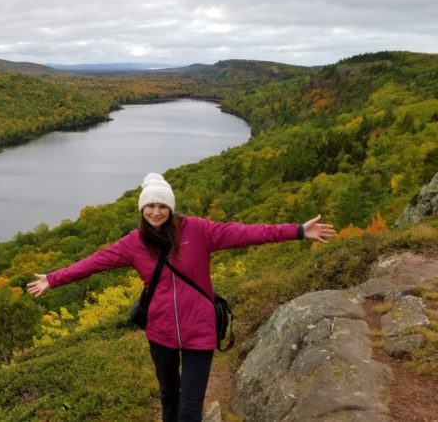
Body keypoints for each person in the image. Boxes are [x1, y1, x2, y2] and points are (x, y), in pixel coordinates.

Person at [26, 172, 335, 422]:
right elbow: (95, 262)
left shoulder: (198, 230)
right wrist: (53, 279)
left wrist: (296, 231)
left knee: (189, 408)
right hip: (160, 332)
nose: (156, 212)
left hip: (200, 330)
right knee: (168, 395)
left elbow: (246, 232)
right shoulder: (134, 243)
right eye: (150, 206)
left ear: (171, 207)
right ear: (142, 209)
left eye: (162, 206)